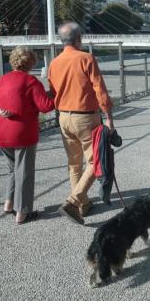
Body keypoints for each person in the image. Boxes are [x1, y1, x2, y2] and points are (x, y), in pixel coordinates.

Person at [48, 22, 114, 224]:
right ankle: (73, 201)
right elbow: (100, 91)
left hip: (64, 117)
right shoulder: (86, 58)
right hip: (86, 116)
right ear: (79, 39)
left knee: (74, 164)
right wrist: (109, 118)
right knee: (96, 161)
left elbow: (52, 93)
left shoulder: (54, 63)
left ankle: (83, 206)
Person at [0, 46, 55, 225]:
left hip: (0, 132)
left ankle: (9, 203)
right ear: (31, 63)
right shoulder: (30, 81)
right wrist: (56, 93)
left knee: (13, 169)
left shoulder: (0, 81)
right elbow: (46, 106)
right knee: (25, 173)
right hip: (22, 133)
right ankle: (23, 212)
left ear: (13, 61)